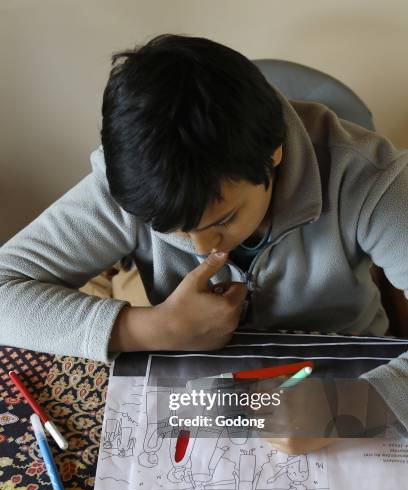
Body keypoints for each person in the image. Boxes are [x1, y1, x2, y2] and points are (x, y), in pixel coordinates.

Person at [1, 34, 407, 455]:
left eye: (224, 219)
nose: (200, 247)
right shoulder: (138, 181)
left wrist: (356, 406)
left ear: (274, 154)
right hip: (196, 377)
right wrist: (154, 327)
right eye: (169, 228)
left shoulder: (371, 178)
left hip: (347, 365)